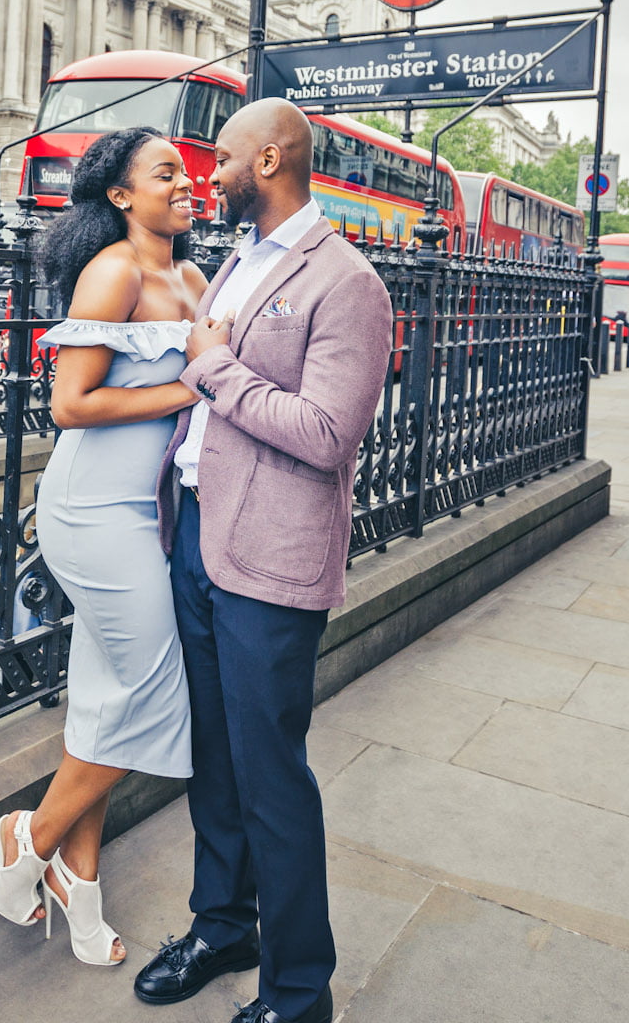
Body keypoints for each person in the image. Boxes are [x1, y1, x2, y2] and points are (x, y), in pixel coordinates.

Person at [133, 100, 391, 1023]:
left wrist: (212, 369)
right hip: (201, 539)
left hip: (273, 561)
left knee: (271, 772)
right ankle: (221, 925)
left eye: (227, 155)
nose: (212, 170)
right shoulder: (240, 259)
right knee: (214, 756)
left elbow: (327, 433)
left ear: (271, 158)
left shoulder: (347, 282)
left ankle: (297, 992)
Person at [0, 127, 204, 967]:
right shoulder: (114, 272)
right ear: (121, 196)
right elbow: (71, 403)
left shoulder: (192, 276)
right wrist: (191, 381)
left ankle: (81, 885)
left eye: (187, 172)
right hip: (92, 509)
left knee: (109, 698)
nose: (187, 183)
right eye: (166, 173)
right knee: (155, 688)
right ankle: (27, 840)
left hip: (146, 510)